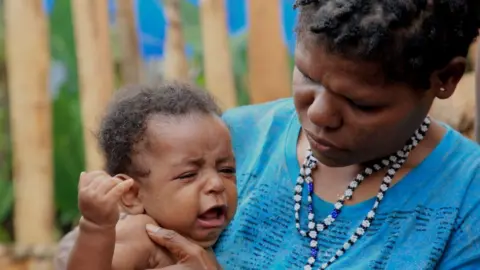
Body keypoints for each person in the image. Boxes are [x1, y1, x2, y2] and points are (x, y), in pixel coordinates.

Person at [56, 0, 480, 269]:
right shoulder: (227, 140)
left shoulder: (466, 199)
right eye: (308, 77)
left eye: (360, 103)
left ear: (445, 78)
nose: (317, 115)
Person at [63, 83, 237, 270]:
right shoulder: (142, 233)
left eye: (227, 170)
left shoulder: (209, 240)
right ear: (132, 194)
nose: (217, 183)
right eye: (189, 174)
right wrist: (95, 226)